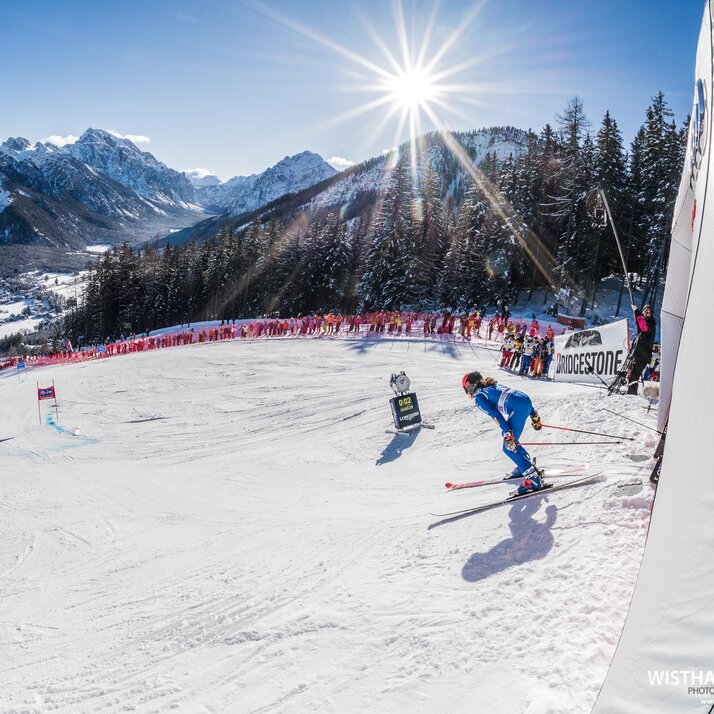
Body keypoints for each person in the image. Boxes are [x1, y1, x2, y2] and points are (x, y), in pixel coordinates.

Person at [461, 371, 544, 494]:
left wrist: (507, 431)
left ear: (471, 385)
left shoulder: (479, 397)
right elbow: (520, 398)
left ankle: (533, 479)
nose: (468, 392)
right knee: (509, 439)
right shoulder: (490, 387)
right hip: (525, 402)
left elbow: (495, 415)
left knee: (508, 447)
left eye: (467, 388)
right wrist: (533, 414)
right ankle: (525, 466)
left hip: (518, 408)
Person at [628, 304, 656, 395]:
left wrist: (637, 311)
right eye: (644, 311)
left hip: (642, 356)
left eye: (648, 312)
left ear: (651, 313)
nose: (646, 313)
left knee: (633, 376)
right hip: (637, 354)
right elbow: (639, 324)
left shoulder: (651, 324)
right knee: (632, 376)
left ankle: (631, 395)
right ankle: (631, 394)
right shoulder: (644, 322)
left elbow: (644, 327)